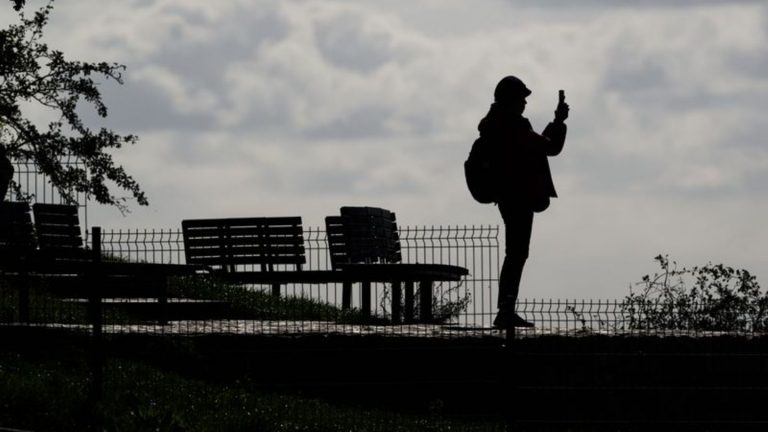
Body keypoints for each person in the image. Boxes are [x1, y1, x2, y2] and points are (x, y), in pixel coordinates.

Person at [477, 75, 569, 328]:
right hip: (517, 196)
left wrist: (555, 122)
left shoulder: (497, 124)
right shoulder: (510, 126)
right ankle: (505, 310)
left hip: (508, 195)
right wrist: (559, 122)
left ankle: (506, 308)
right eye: (521, 99)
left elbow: (539, 145)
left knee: (516, 253)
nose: (524, 104)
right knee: (517, 253)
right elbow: (548, 147)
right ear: (511, 100)